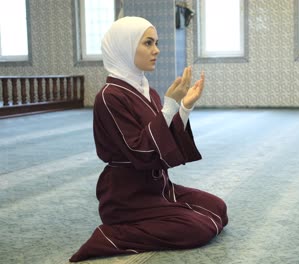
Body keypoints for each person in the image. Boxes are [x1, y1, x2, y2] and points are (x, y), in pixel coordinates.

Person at [69, 16, 228, 262]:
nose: (156, 50)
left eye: (156, 43)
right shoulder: (110, 97)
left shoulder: (147, 90)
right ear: (125, 46)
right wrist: (170, 106)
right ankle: (112, 235)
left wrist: (183, 107)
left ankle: (168, 212)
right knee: (198, 228)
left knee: (218, 207)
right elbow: (141, 151)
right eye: (148, 43)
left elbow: (163, 139)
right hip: (127, 195)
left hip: (157, 187)